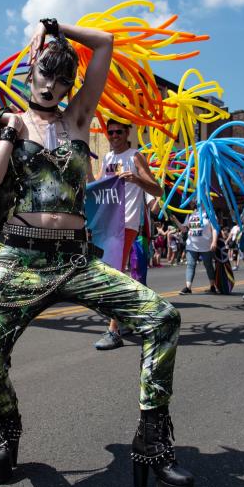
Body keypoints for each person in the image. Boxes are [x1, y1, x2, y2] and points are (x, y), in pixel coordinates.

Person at [0, 18, 193, 487]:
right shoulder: (10, 122)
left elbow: (106, 43)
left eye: (62, 80)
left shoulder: (79, 120)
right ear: (30, 75)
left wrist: (57, 27)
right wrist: (9, 130)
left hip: (73, 259)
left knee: (162, 317)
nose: (51, 86)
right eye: (44, 77)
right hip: (17, 259)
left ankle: (153, 442)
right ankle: (7, 430)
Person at [94, 118, 165, 350]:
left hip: (127, 223)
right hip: (107, 223)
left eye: (118, 132)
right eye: (110, 132)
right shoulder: (107, 158)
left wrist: (136, 179)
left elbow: (157, 189)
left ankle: (113, 331)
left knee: (115, 275)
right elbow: (99, 186)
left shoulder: (135, 156)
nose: (113, 136)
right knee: (109, 275)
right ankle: (129, 317)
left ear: (127, 134)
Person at [179, 204, 217, 294]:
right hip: (191, 245)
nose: (196, 201)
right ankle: (188, 287)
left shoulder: (210, 213)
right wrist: (175, 220)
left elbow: (215, 228)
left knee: (208, 266)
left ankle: (212, 286)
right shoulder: (190, 214)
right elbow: (184, 229)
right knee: (190, 265)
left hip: (206, 245)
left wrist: (214, 241)